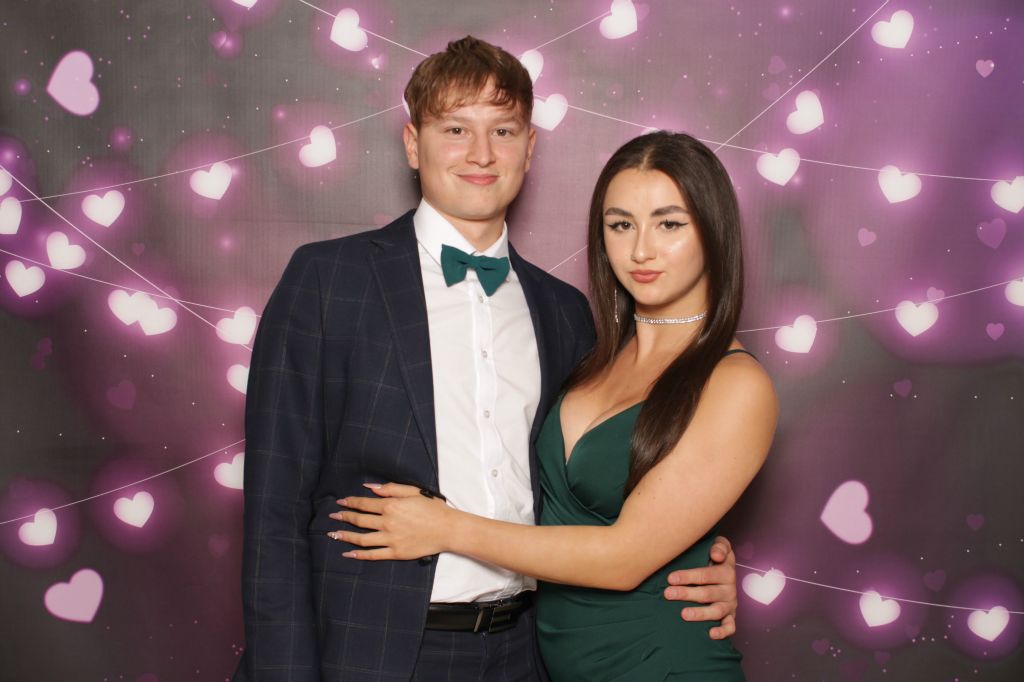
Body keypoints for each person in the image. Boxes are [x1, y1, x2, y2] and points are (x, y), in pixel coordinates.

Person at [236, 37, 740, 681]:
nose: (481, 153)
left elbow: (600, 489)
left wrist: (696, 560)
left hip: (528, 653)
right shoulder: (328, 281)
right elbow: (274, 513)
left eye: (503, 130)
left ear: (529, 148)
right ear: (412, 144)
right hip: (368, 652)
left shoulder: (565, 312)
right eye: (455, 129)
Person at [328, 131, 778, 680]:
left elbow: (624, 559)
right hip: (547, 666)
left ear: (713, 231)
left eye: (669, 224)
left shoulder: (736, 383)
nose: (641, 250)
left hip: (663, 664)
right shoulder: (590, 348)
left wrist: (446, 528)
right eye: (621, 225)